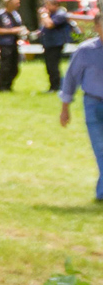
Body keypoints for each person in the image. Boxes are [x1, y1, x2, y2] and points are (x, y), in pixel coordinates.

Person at [57, 12, 103, 201]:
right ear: (97, 27)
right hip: (93, 104)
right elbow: (70, 79)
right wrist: (65, 108)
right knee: (100, 149)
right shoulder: (86, 50)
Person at [39, 0, 75, 93]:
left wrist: (44, 15)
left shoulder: (60, 14)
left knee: (53, 66)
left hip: (55, 44)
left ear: (55, 5)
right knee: (49, 66)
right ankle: (53, 86)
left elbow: (50, 25)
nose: (46, 7)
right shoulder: (52, 15)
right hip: (48, 43)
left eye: (48, 5)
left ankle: (56, 86)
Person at [0, 0, 27, 91]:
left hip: (14, 43)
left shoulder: (16, 14)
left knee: (14, 67)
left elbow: (19, 27)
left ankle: (8, 85)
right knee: (6, 65)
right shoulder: (0, 15)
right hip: (5, 44)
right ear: (9, 3)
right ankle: (1, 86)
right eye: (16, 1)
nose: (18, 3)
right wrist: (12, 31)